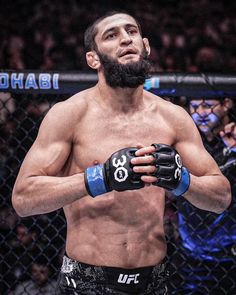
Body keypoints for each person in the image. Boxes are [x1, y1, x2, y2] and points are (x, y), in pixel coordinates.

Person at [11, 11, 231, 295]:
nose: (126, 39)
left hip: (156, 279)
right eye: (111, 35)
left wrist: (182, 180)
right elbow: (23, 199)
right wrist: (99, 178)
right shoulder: (69, 115)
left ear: (146, 46)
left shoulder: (172, 118)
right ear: (93, 59)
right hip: (87, 281)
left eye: (132, 31)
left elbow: (221, 198)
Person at [170, 98, 236, 295]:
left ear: (226, 104)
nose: (201, 112)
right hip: (190, 253)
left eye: (207, 105)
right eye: (194, 106)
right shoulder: (186, 143)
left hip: (229, 254)